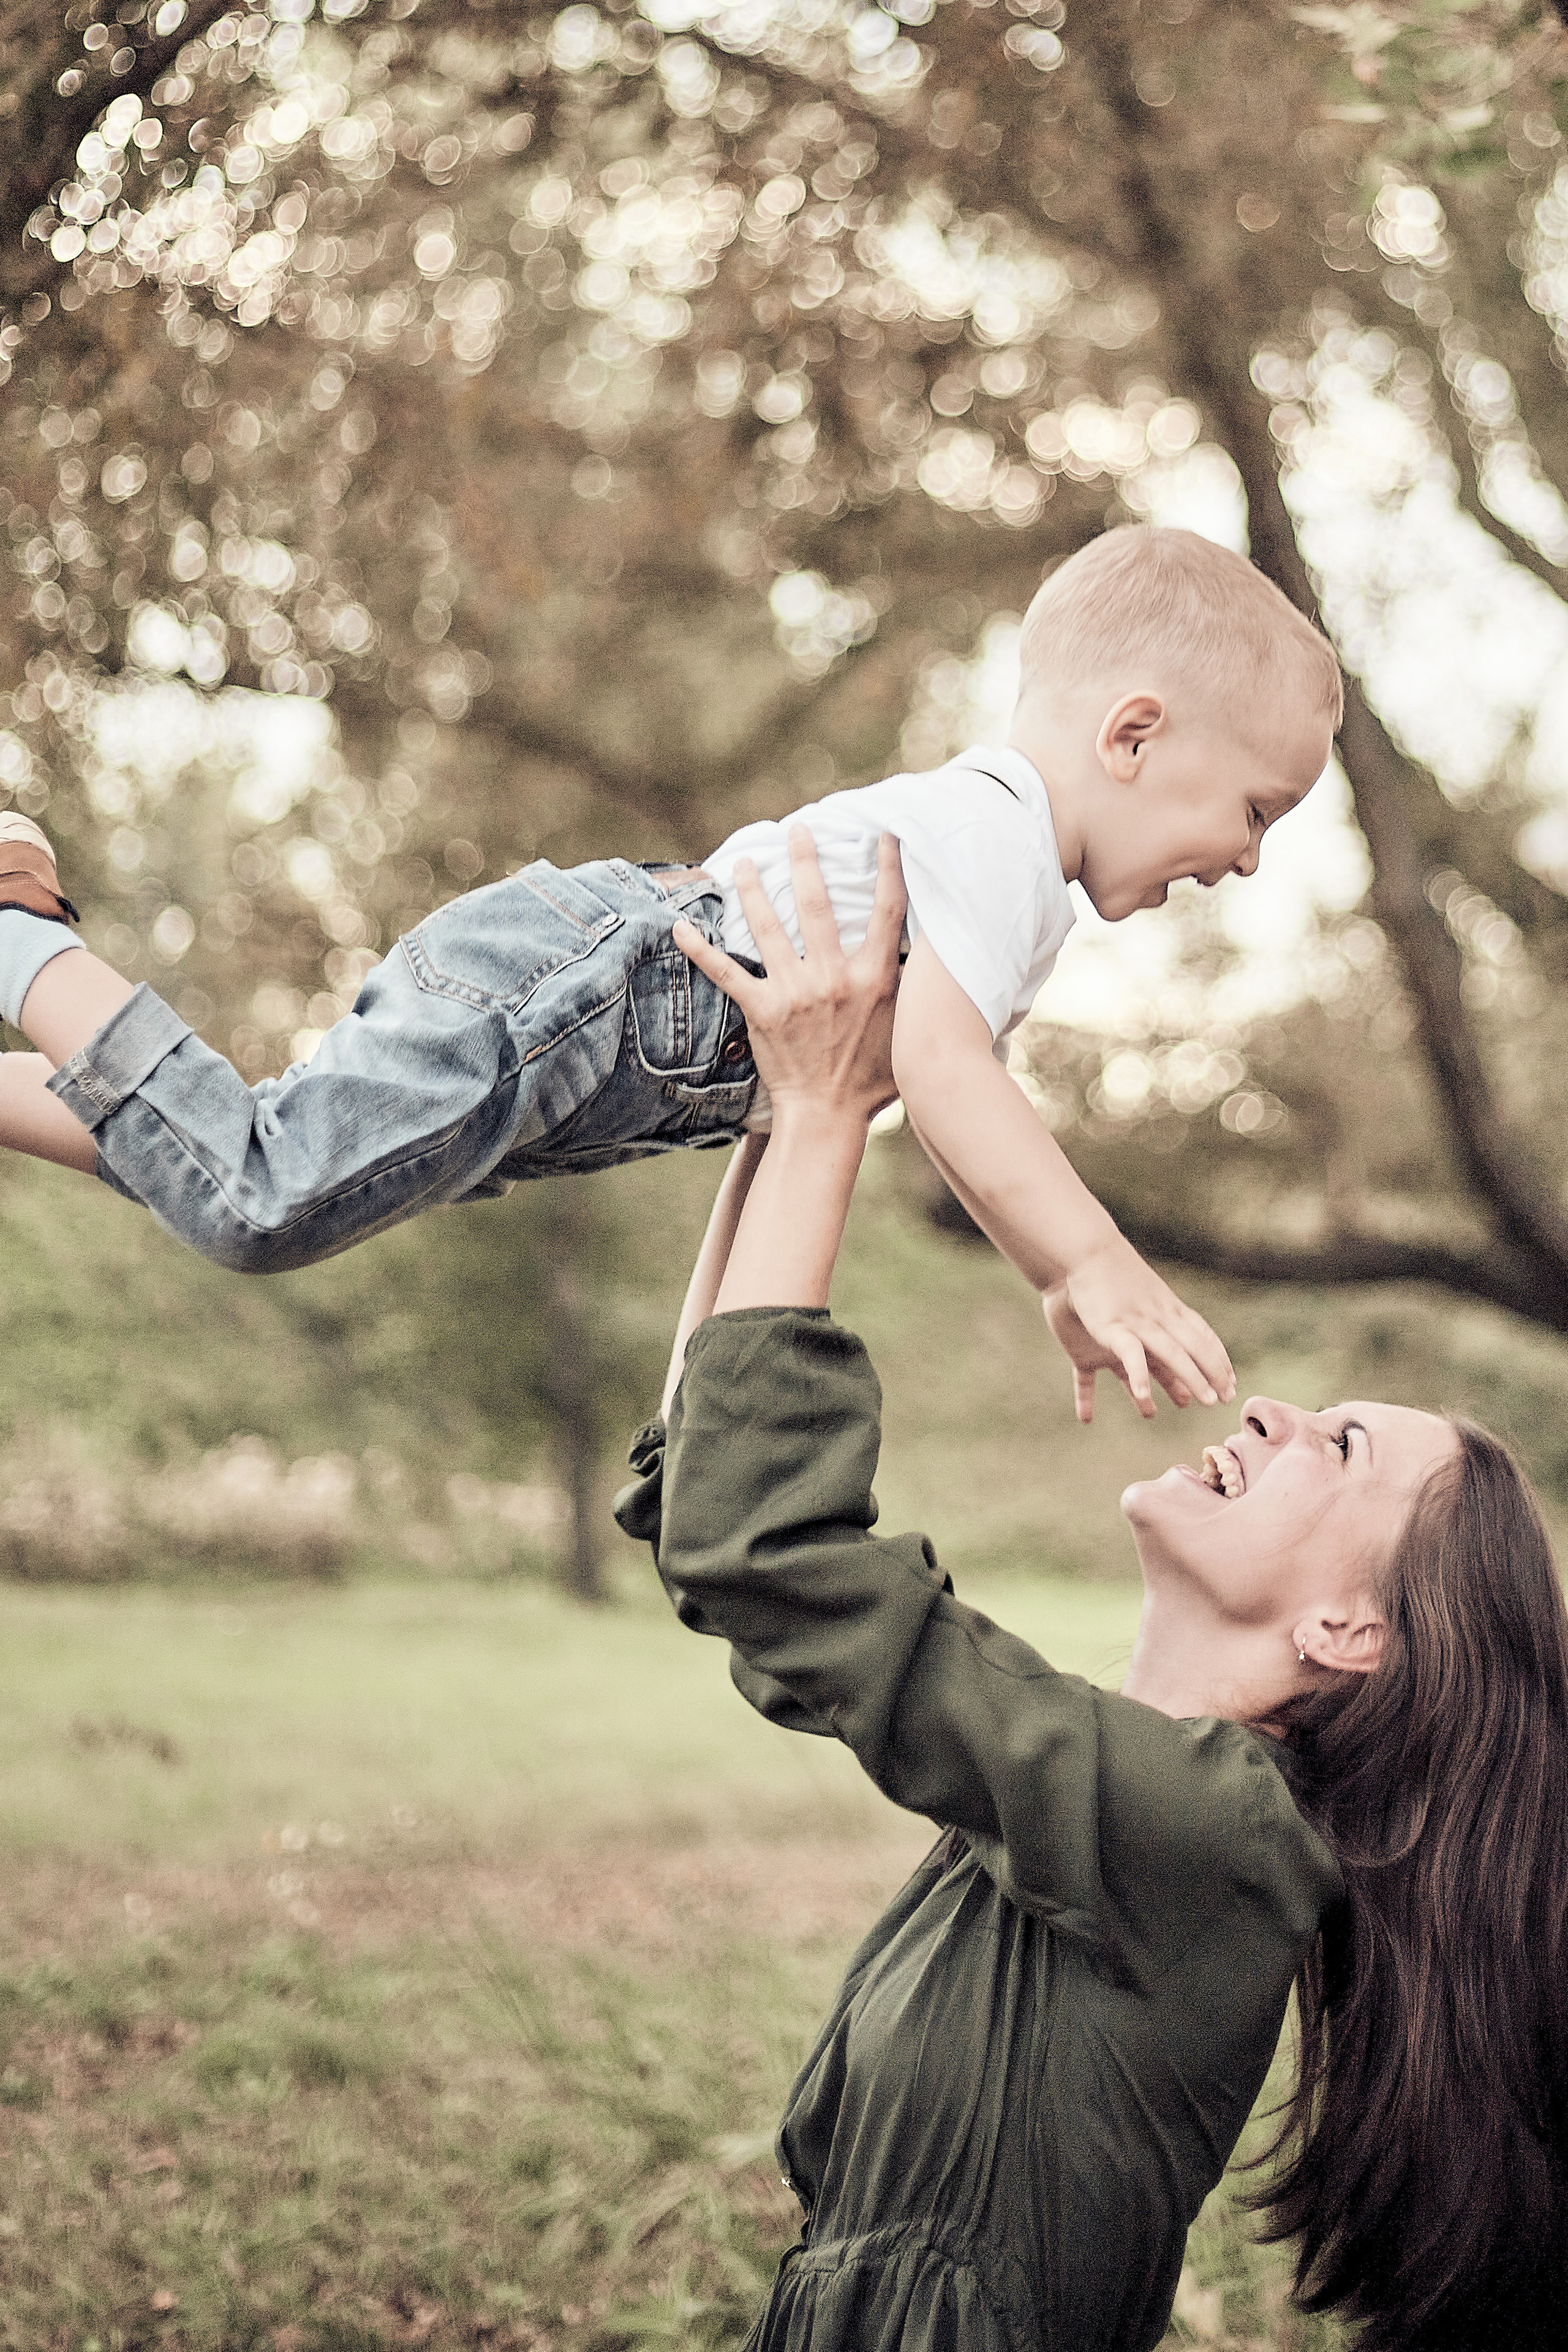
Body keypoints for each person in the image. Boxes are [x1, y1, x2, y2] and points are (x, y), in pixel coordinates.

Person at [616, 833, 1568, 2351]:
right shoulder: (1113, 1809)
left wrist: (818, 1114)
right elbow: (707, 1505)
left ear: (1350, 1632)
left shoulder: (1216, 1836)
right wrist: (781, 1116)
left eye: (1335, 1443)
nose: (1266, 1413)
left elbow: (766, 1554)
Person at [0, 526, 1336, 1419]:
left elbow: (792, 1123)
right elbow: (937, 1080)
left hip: (581, 1014)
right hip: (582, 984)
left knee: (239, 1154)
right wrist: (1081, 1264)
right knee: (264, 1198)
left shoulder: (1005, 888)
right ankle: (16, 928)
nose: (1247, 864)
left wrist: (696, 1389)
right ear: (1134, 735)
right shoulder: (994, 839)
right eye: (1257, 810)